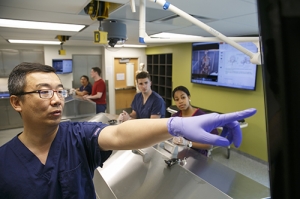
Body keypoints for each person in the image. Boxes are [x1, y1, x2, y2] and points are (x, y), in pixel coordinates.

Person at [0, 62, 256, 198]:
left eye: (59, 91)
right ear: (16, 102)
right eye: (44, 91)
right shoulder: (4, 163)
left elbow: (120, 134)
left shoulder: (77, 136)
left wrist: (176, 124)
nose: (56, 99)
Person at [171, 86, 219, 157]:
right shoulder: (175, 117)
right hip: (181, 152)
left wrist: (188, 143)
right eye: (177, 99)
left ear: (189, 97)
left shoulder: (202, 117)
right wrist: (174, 138)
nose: (180, 101)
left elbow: (209, 145)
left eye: (183, 97)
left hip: (198, 156)